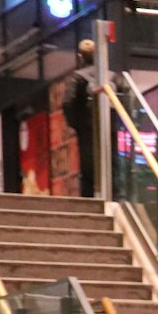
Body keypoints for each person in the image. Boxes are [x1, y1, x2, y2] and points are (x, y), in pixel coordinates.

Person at [63, 41, 98, 198]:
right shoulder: (112, 76)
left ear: (80, 57)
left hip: (87, 127)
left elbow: (67, 103)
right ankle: (116, 197)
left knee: (88, 165)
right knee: (112, 164)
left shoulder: (78, 77)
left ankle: (90, 197)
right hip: (108, 128)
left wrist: (74, 123)